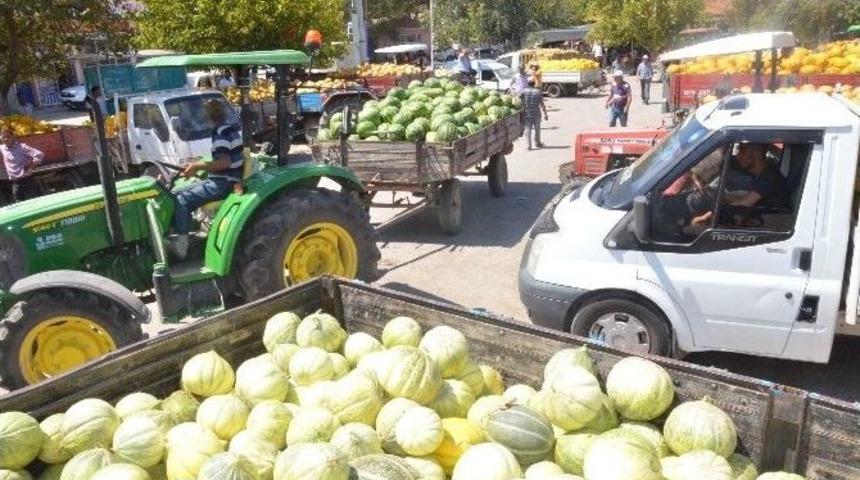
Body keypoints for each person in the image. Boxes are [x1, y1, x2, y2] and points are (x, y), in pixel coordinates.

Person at [169, 99, 244, 259]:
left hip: (224, 183)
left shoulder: (220, 134)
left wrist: (198, 167)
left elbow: (224, 162)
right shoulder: (230, 130)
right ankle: (187, 232)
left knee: (180, 199)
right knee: (174, 192)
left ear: (207, 117)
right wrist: (197, 165)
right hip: (223, 179)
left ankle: (182, 245)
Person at [691, 144, 788, 227]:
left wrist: (705, 217)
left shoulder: (769, 177)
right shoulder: (762, 173)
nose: (737, 155)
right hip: (757, 218)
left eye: (742, 151)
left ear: (756, 154)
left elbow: (745, 203)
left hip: (770, 223)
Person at [0, 127, 44, 203]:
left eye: (8, 137)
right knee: (19, 202)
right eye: (3, 137)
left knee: (38, 200)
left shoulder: (22, 147)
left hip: (28, 179)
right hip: (16, 182)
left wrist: (31, 167)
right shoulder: (2, 148)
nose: (6, 139)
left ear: (13, 137)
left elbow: (39, 154)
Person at [521, 78, 548, 150]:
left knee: (528, 129)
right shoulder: (538, 92)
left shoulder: (524, 91)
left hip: (527, 113)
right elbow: (542, 104)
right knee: (537, 129)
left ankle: (528, 145)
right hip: (536, 113)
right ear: (534, 83)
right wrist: (545, 113)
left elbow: (519, 100)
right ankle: (537, 143)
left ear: (528, 83)